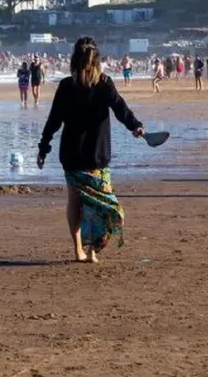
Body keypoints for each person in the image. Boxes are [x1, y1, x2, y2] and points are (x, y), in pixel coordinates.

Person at [37, 37, 145, 263]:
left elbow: (54, 121)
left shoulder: (67, 86)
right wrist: (135, 126)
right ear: (97, 60)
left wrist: (43, 148)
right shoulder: (104, 83)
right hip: (98, 155)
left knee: (75, 201)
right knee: (99, 204)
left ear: (73, 60)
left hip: (72, 154)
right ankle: (92, 250)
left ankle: (79, 249)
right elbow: (121, 108)